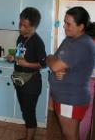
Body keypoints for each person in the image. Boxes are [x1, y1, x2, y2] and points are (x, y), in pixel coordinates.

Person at [46, 7, 95, 140]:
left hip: (71, 99)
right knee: (66, 134)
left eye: (68, 24)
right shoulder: (70, 40)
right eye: (64, 22)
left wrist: (53, 62)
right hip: (63, 97)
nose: (64, 26)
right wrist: (53, 62)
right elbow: (53, 59)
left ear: (81, 26)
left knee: (70, 135)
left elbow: (54, 64)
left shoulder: (83, 44)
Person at [7, 7, 46, 140]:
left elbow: (43, 63)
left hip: (31, 83)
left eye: (25, 25)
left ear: (33, 26)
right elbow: (19, 56)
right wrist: (14, 58)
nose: (21, 28)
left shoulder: (37, 42)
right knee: (25, 111)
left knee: (29, 113)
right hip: (20, 80)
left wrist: (27, 64)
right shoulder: (21, 38)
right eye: (20, 24)